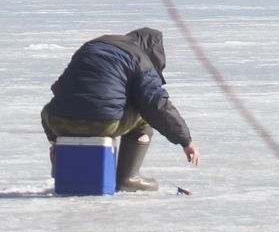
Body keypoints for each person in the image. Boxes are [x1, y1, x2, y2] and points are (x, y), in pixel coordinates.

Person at [41, 26, 198, 192]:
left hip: (57, 121)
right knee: (143, 115)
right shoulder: (140, 58)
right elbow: (155, 103)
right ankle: (128, 178)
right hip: (102, 122)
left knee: (48, 111)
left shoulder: (93, 46)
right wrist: (185, 141)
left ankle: (60, 155)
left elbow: (59, 87)